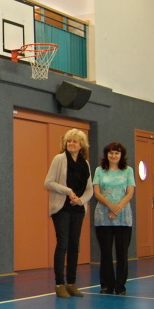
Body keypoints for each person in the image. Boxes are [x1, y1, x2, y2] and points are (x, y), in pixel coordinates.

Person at [44, 128, 93, 299]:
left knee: (74, 245)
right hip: (61, 208)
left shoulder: (85, 163)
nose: (71, 144)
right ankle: (59, 284)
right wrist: (68, 191)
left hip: (77, 209)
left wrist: (81, 200)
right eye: (69, 141)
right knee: (63, 244)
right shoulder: (59, 159)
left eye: (74, 141)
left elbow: (89, 189)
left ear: (81, 145)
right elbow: (48, 182)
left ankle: (71, 283)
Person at [93, 142, 135, 295]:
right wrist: (111, 206)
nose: (113, 155)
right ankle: (106, 285)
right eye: (110, 153)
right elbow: (97, 193)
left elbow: (130, 193)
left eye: (117, 153)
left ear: (121, 155)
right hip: (103, 217)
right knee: (106, 253)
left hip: (123, 217)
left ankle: (120, 286)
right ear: (106, 155)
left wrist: (117, 209)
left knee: (122, 253)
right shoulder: (99, 170)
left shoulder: (128, 171)